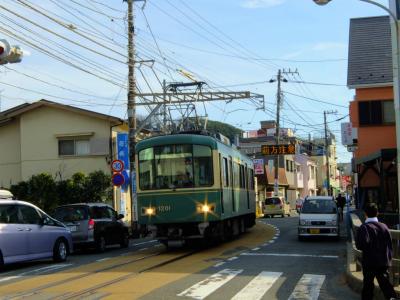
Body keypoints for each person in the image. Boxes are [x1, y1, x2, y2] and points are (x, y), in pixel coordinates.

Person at [355, 203, 397, 300]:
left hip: (369, 262)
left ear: (365, 214)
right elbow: (390, 245)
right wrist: (388, 259)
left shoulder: (364, 227)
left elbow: (360, 245)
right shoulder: (384, 227)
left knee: (368, 286)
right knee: (385, 285)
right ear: (377, 213)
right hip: (383, 261)